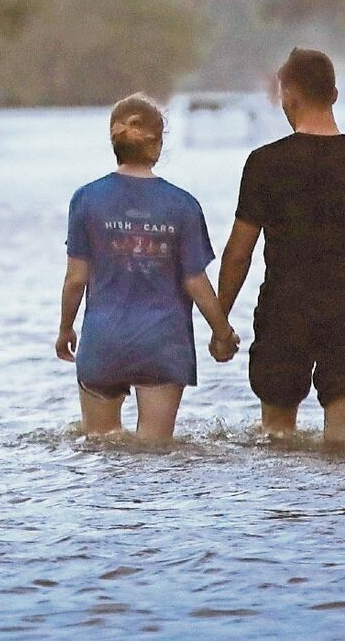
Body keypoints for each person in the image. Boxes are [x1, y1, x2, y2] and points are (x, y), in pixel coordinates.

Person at [217, 49, 345, 444]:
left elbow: (238, 253)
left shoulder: (263, 164)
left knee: (276, 443)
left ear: (287, 96)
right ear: (335, 95)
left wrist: (221, 320)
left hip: (281, 317)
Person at [56, 93, 241, 441]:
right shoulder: (183, 205)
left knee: (101, 445)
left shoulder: (85, 199)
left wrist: (66, 329)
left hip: (102, 340)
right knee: (155, 450)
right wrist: (221, 331)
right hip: (163, 344)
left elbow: (75, 279)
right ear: (156, 146)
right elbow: (195, 281)